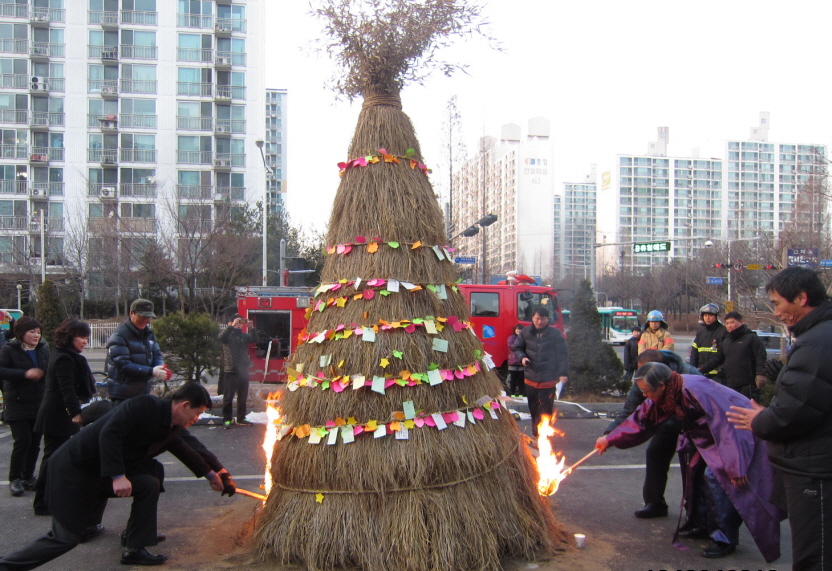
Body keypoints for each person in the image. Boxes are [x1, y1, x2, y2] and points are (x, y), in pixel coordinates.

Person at [0, 382, 237, 569]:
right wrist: (117, 476)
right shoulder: (144, 406)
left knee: (148, 482)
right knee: (66, 537)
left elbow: (188, 450)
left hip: (97, 472)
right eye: (197, 414)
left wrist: (213, 474)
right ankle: (7, 565)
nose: (197, 420)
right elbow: (109, 435)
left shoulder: (171, 426)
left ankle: (134, 547)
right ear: (184, 405)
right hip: (73, 470)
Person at [597, 362, 783, 562]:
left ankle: (724, 538)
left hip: (738, 432)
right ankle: (700, 524)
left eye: (646, 391)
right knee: (694, 471)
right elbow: (643, 418)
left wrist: (736, 466)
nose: (644, 395)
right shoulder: (667, 392)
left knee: (717, 479)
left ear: (661, 385)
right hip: (707, 438)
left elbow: (728, 427)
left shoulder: (696, 391)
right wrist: (611, 439)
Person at [727, 267, 832, 570]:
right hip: (815, 462)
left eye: (777, 303)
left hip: (815, 469)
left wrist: (760, 419)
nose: (777, 312)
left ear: (801, 297)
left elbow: (793, 413)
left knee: (816, 555)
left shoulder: (816, 344)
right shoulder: (817, 336)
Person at [605, 349, 698, 519]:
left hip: (694, 425)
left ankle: (695, 512)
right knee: (655, 452)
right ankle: (654, 503)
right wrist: (610, 434)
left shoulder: (690, 375)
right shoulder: (643, 378)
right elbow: (631, 408)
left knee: (694, 466)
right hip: (665, 423)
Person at [32, 319, 95, 517]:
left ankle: (50, 499)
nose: (85, 342)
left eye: (86, 338)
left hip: (60, 414)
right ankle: (42, 501)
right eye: (81, 337)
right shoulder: (63, 358)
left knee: (58, 458)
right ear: (70, 337)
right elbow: (66, 389)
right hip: (56, 415)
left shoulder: (69, 356)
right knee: (52, 458)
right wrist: (75, 412)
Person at [0, 317, 48, 497]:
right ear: (21, 333)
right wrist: (25, 374)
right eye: (32, 332)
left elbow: (48, 371)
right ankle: (15, 479)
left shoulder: (43, 350)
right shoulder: (9, 349)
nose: (36, 335)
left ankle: (28, 476)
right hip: (17, 403)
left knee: (35, 442)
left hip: (38, 402)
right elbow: (1, 370)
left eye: (38, 332)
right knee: (23, 441)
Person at [513, 306, 568, 438]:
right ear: (532, 318)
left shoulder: (555, 334)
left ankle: (543, 435)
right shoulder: (525, 332)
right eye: (537, 318)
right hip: (530, 377)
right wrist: (522, 358)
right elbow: (517, 348)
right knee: (533, 408)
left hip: (548, 377)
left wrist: (563, 373)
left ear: (547, 319)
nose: (539, 321)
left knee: (546, 408)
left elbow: (563, 355)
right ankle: (536, 433)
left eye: (542, 319)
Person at [105, 298, 170, 404]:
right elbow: (123, 364)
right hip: (123, 394)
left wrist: (160, 367)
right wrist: (151, 371)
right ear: (132, 313)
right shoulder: (119, 335)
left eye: (149, 317)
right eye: (143, 316)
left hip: (142, 391)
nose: (146, 320)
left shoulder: (148, 334)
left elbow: (157, 354)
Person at [698, 311, 766, 400]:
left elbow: (760, 356)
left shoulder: (751, 338)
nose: (730, 325)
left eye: (732, 322)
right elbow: (718, 358)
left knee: (748, 410)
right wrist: (702, 369)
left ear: (741, 322)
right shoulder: (726, 341)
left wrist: (760, 374)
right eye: (727, 323)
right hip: (730, 384)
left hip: (748, 384)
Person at [219, 314, 258, 427]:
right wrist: (231, 326)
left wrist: (251, 328)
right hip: (230, 371)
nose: (239, 325)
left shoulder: (244, 336)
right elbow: (221, 337)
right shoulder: (227, 336)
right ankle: (227, 419)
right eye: (236, 322)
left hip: (243, 370)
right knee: (228, 397)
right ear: (229, 324)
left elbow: (255, 339)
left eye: (240, 323)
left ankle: (241, 418)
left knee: (242, 397)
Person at [689, 303, 727, 382]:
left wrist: (704, 369)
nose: (707, 318)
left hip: (718, 376)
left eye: (710, 315)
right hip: (700, 375)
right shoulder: (700, 332)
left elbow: (721, 355)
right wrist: (693, 370)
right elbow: (694, 353)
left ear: (716, 316)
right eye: (705, 315)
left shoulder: (723, 331)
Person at [506, 324, 525, 397]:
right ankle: (512, 394)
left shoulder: (525, 338)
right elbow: (510, 346)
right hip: (513, 361)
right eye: (517, 329)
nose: (518, 331)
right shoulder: (511, 337)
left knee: (521, 379)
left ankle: (521, 394)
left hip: (522, 362)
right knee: (513, 379)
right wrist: (520, 347)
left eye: (520, 329)